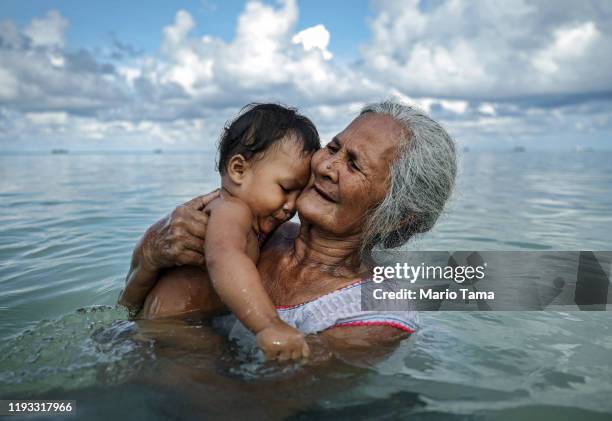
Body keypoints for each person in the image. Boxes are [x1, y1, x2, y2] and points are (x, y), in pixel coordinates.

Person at [119, 100, 457, 361]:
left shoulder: (376, 316)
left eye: (353, 164)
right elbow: (126, 313)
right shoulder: (259, 230)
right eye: (334, 148)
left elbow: (260, 403)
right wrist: (150, 256)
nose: (326, 166)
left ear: (397, 217)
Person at [142, 103, 319, 361]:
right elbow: (225, 256)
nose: (291, 206)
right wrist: (268, 324)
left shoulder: (251, 221)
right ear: (238, 170)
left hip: (176, 326)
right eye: (285, 188)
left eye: (299, 193)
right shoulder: (231, 210)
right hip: (174, 330)